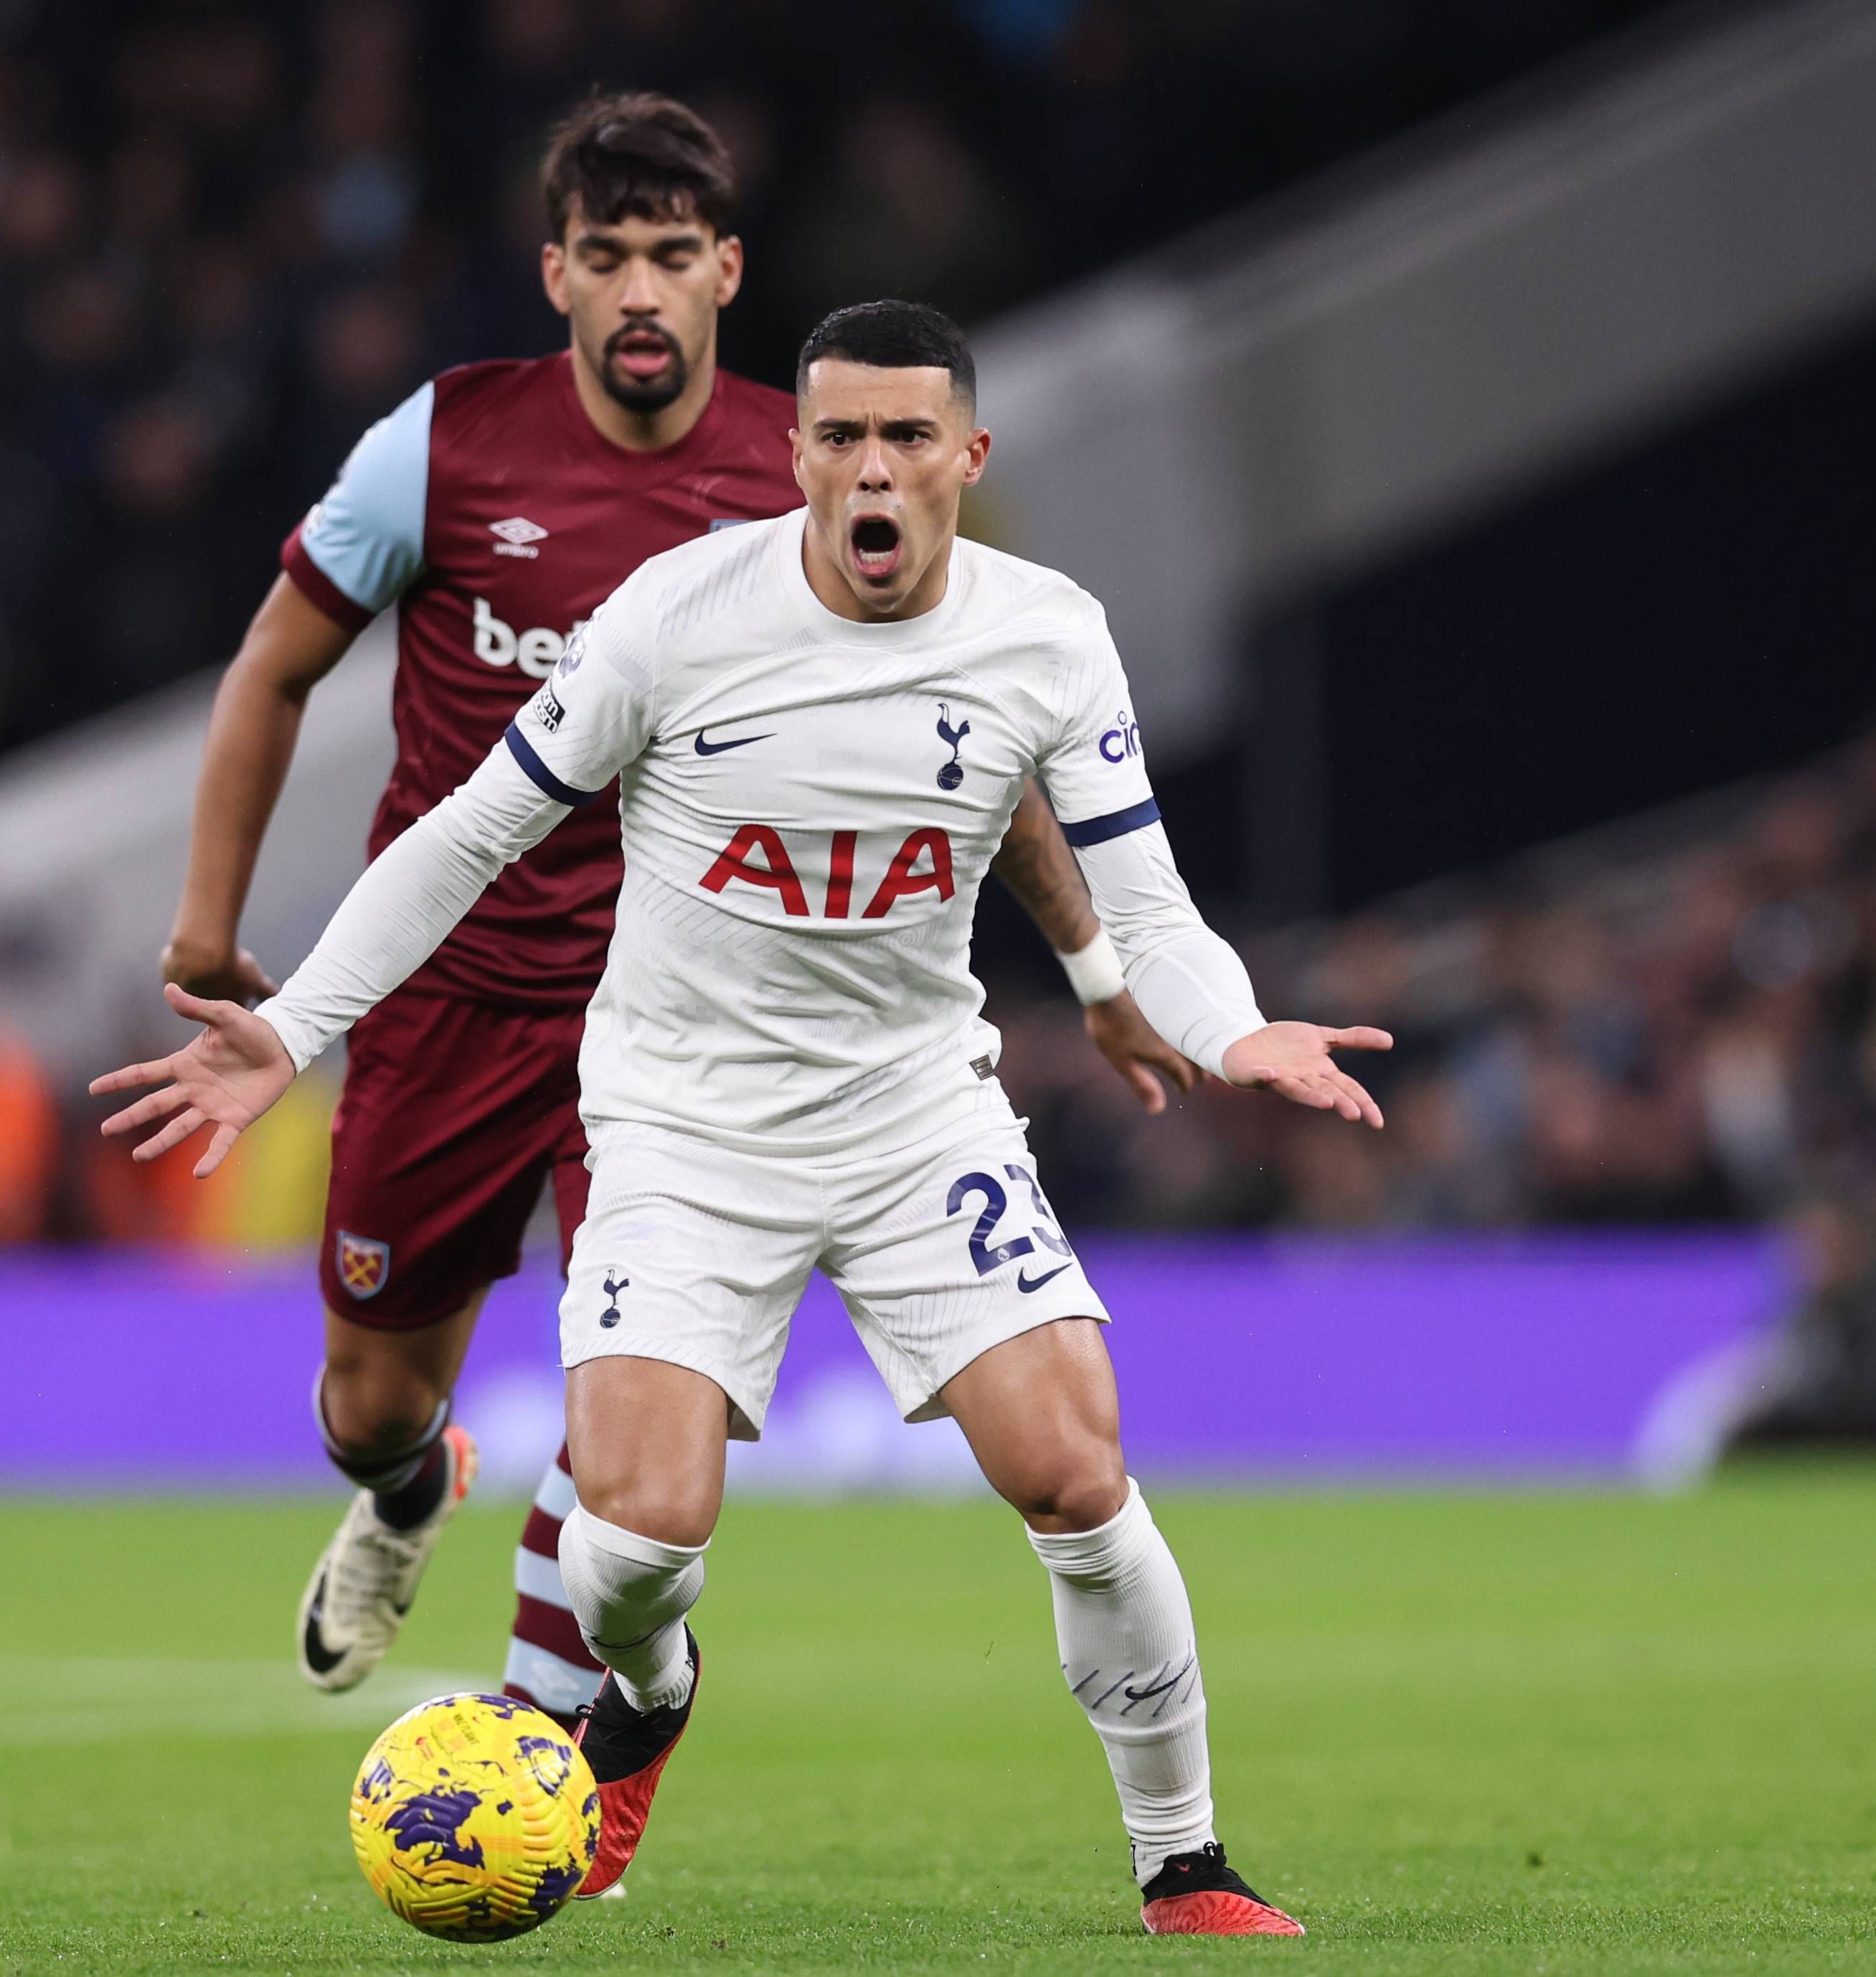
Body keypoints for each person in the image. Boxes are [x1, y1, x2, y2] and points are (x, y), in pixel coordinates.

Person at [98, 301, 1390, 1935]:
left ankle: (1185, 1862)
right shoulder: (673, 616)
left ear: (966, 462)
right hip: (685, 1126)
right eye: (840, 434)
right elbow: (463, 836)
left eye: (908, 437)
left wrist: (1235, 1023)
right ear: (795, 457)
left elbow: (1149, 895)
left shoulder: (1048, 631)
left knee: (1073, 1469)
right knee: (634, 1541)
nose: (872, 465)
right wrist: (294, 1029)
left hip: (920, 1115)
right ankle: (651, 1685)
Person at [157, 96, 1194, 1722]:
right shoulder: (440, 448)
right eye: (608, 258)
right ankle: (410, 1487)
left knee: (635, 1420)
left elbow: (972, 751)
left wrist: (1098, 961)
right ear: (557, 273)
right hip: (450, 996)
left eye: (670, 257)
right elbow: (273, 668)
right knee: (367, 1399)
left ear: (725, 272)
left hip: (679, 1024)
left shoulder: (822, 464)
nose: (640, 291)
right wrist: (212, 930)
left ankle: (540, 1740)